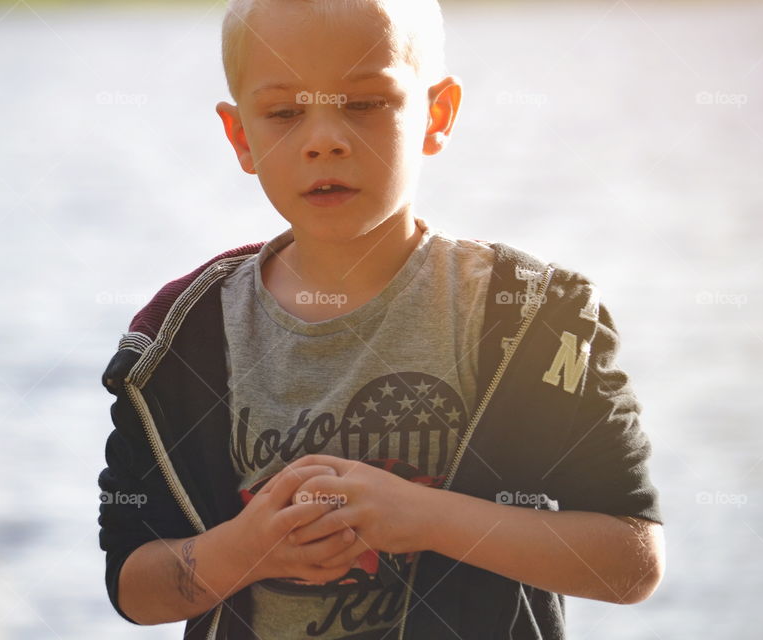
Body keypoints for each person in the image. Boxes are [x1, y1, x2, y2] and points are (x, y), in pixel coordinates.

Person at [97, 0, 666, 637]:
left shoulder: (531, 316)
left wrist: (426, 517)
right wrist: (247, 549)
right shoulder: (180, 337)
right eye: (284, 113)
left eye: (365, 103)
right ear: (240, 137)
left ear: (436, 115)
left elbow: (631, 563)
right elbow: (132, 585)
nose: (324, 140)